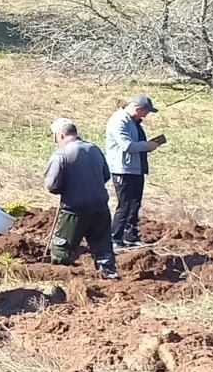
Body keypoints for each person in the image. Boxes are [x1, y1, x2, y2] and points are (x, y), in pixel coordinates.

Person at [46, 118, 118, 279]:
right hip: (100, 205)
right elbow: (105, 175)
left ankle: (62, 278)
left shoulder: (61, 154)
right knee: (102, 244)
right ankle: (109, 274)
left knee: (62, 248)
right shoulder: (94, 149)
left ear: (61, 135)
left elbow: (52, 185)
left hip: (74, 209)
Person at [105, 95, 165, 249]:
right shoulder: (119, 121)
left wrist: (147, 145)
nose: (145, 115)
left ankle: (130, 236)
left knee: (134, 204)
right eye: (145, 112)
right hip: (122, 169)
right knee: (124, 205)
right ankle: (114, 239)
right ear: (138, 109)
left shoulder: (132, 121)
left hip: (135, 168)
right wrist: (148, 146)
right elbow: (127, 146)